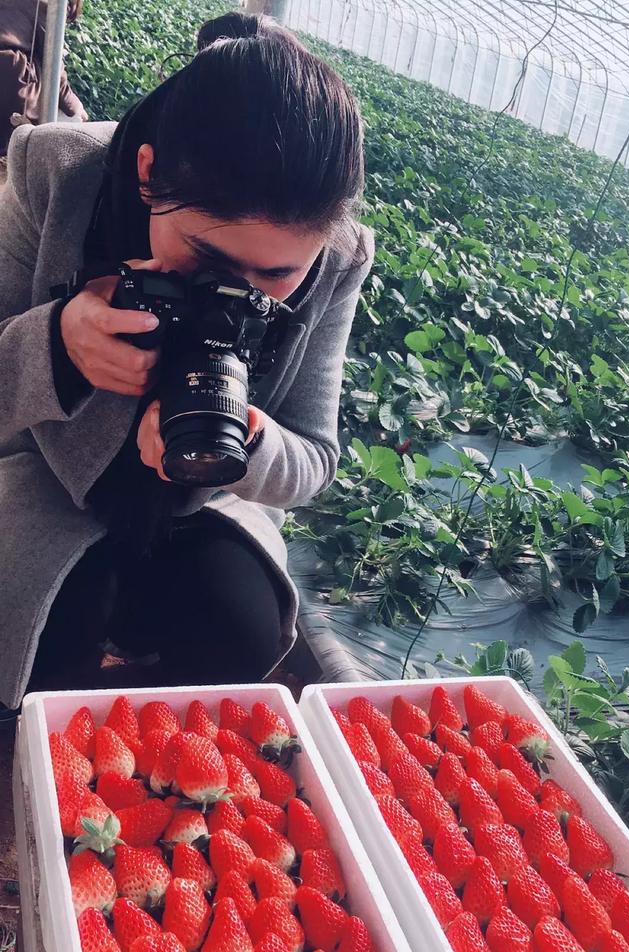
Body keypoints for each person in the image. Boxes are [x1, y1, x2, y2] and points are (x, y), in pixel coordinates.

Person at [0, 10, 374, 711]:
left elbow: (315, 459)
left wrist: (244, 436)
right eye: (209, 258)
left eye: (276, 276)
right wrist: (55, 342)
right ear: (147, 175)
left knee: (241, 630)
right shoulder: (56, 175)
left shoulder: (339, 259)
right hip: (46, 477)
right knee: (32, 642)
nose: (236, 290)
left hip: (205, 503)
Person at [0, 0, 87, 156]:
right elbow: (53, 67)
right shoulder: (48, 5)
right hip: (12, 78)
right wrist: (76, 108)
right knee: (42, 66)